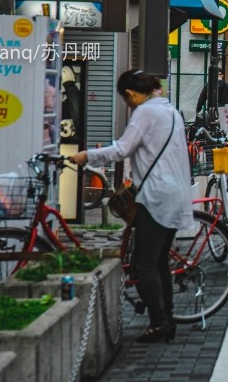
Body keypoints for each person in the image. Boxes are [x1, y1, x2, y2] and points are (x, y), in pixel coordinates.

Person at [71, 70, 192, 343]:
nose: (127, 104)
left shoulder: (145, 112)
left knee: (144, 264)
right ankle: (166, 318)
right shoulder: (170, 111)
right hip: (175, 193)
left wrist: (87, 155)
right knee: (159, 261)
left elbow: (121, 150)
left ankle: (160, 322)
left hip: (156, 197)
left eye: (125, 99)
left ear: (130, 94)